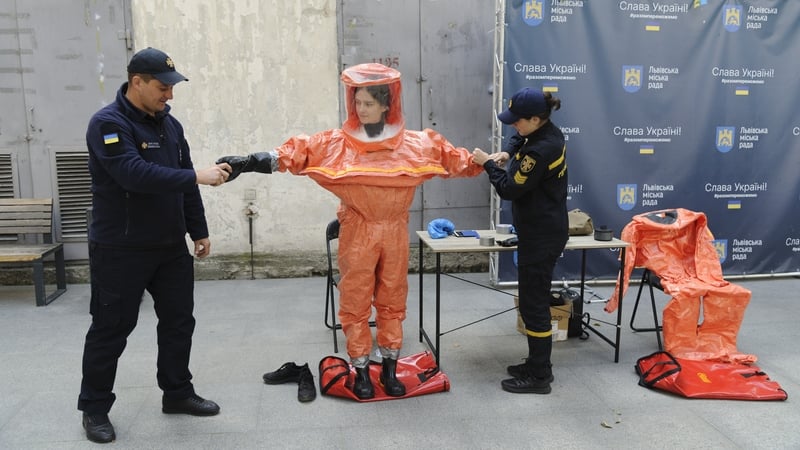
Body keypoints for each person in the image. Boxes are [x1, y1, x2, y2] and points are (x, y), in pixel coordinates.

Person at [217, 63, 484, 400]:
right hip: (358, 230)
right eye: (357, 102)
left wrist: (486, 162)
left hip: (394, 231)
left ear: (387, 104)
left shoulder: (415, 144)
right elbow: (297, 153)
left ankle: (388, 368)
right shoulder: (338, 144)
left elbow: (453, 159)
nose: (360, 109)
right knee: (355, 300)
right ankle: (360, 369)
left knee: (392, 299)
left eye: (369, 103)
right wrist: (251, 161)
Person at [78, 47, 231, 443]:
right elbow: (133, 174)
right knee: (112, 328)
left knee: (179, 323)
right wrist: (197, 176)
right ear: (137, 82)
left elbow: (183, 182)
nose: (170, 96)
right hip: (120, 248)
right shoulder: (107, 125)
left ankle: (177, 393)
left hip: (168, 247)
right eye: (163, 88)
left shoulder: (170, 126)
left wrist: (198, 229)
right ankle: (94, 408)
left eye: (172, 88)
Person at [472, 87, 568, 394]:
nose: (513, 125)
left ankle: (539, 376)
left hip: (542, 235)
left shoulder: (541, 150)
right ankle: (536, 363)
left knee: (533, 304)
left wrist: (488, 163)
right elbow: (521, 139)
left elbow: (511, 188)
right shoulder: (544, 132)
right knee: (532, 302)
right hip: (539, 230)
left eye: (518, 121)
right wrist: (507, 152)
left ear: (536, 119)